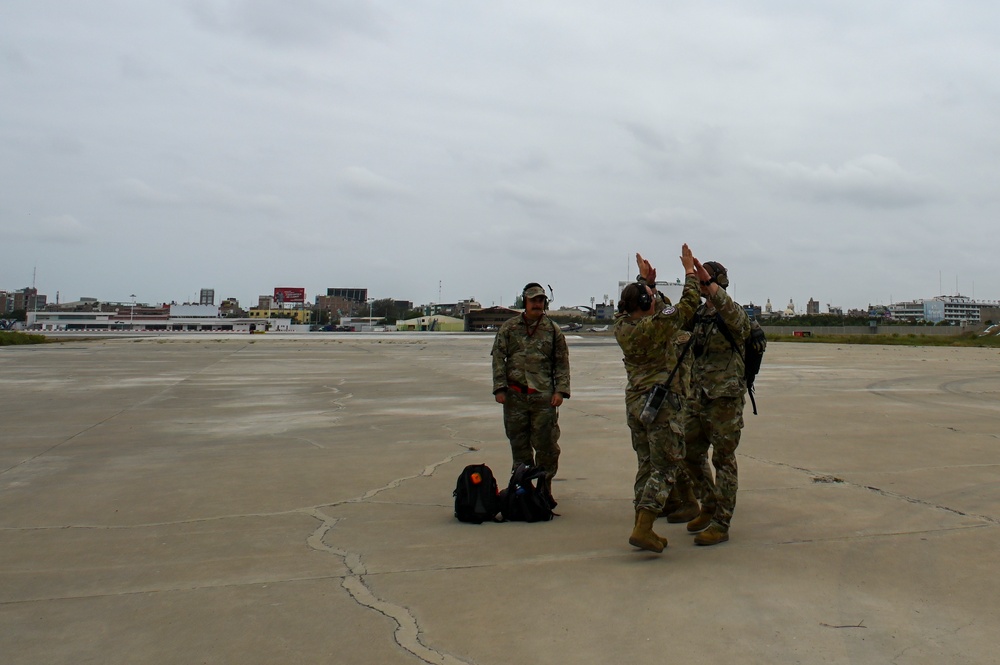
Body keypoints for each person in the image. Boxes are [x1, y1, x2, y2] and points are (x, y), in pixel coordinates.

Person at [614, 246, 706, 553]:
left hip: (636, 402)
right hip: (661, 402)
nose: (654, 299)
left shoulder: (622, 326)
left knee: (645, 463)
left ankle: (642, 519)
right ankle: (644, 527)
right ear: (643, 304)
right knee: (666, 465)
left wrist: (646, 282)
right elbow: (687, 306)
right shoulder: (655, 325)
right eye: (650, 298)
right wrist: (690, 271)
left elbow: (647, 306)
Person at [682, 260, 752, 546]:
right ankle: (708, 503)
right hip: (697, 396)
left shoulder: (731, 312)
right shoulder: (700, 314)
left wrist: (711, 285)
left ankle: (721, 522)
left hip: (724, 398)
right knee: (687, 450)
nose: (700, 286)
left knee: (723, 459)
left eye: (704, 281)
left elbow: (738, 321)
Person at [491, 283, 571, 503]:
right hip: (515, 396)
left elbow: (561, 363)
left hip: (543, 398)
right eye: (533, 300)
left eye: (540, 300)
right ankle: (522, 488)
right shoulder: (509, 328)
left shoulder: (552, 330)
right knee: (519, 444)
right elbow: (499, 357)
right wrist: (500, 388)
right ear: (524, 302)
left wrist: (560, 391)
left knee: (546, 445)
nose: (537, 304)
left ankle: (544, 488)